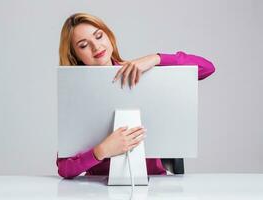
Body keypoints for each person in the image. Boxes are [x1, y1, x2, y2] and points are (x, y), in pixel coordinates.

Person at [57, 13, 215, 179]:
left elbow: (207, 68)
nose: (96, 47)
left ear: (109, 36)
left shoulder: (141, 73)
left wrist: (156, 59)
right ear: (74, 55)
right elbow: (64, 168)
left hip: (154, 183)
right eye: (83, 45)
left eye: (98, 36)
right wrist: (102, 151)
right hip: (99, 186)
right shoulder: (76, 93)